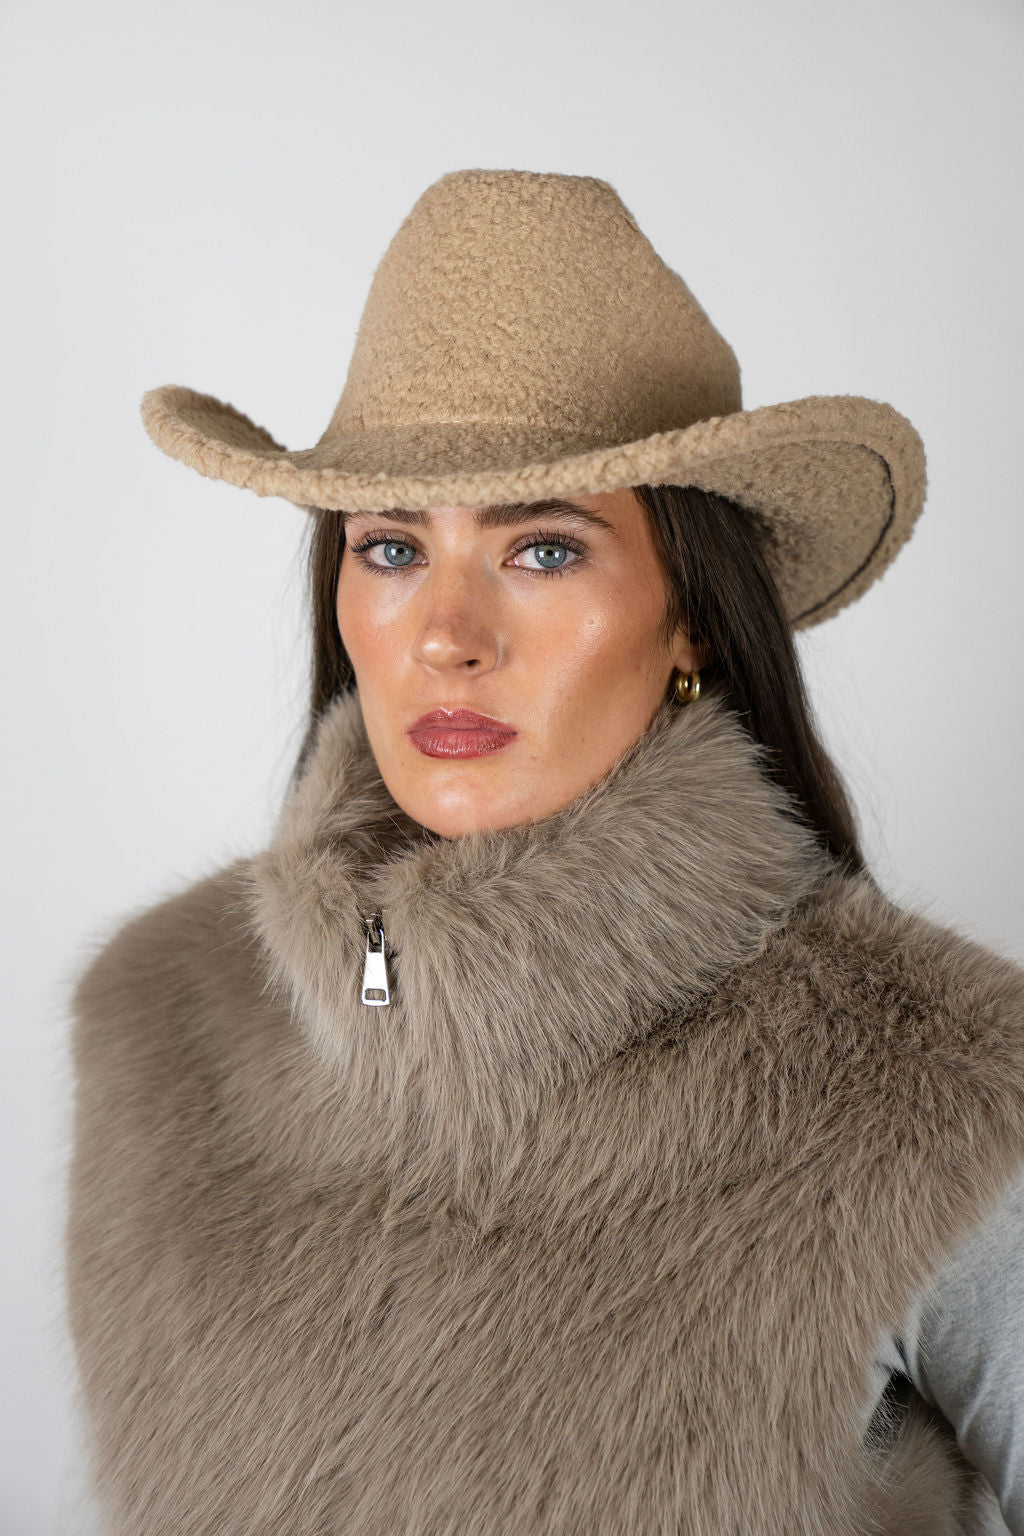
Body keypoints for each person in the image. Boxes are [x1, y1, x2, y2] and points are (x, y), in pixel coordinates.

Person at [64, 168, 1024, 1535]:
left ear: (692, 613)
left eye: (545, 551)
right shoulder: (156, 1021)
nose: (446, 630)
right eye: (391, 544)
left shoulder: (943, 1089)